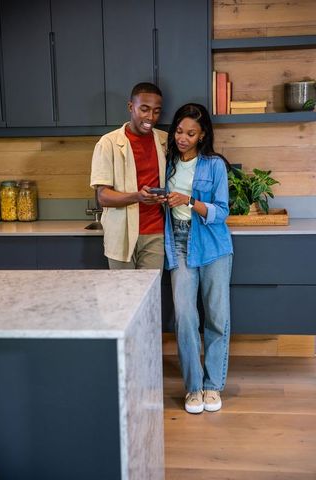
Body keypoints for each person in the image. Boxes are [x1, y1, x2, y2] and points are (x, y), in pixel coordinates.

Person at [164, 103, 233, 414]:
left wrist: (189, 201)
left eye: (191, 133)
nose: (183, 138)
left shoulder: (214, 165)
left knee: (216, 317)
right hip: (178, 243)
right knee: (185, 317)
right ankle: (193, 387)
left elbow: (221, 212)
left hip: (213, 245)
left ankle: (212, 385)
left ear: (202, 134)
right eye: (179, 131)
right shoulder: (167, 164)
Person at [90, 82, 168, 270]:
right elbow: (103, 197)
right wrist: (137, 196)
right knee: (124, 297)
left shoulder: (165, 140)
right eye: (144, 109)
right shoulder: (108, 143)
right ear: (130, 107)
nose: (150, 117)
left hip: (155, 234)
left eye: (156, 111)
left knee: (150, 296)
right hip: (121, 234)